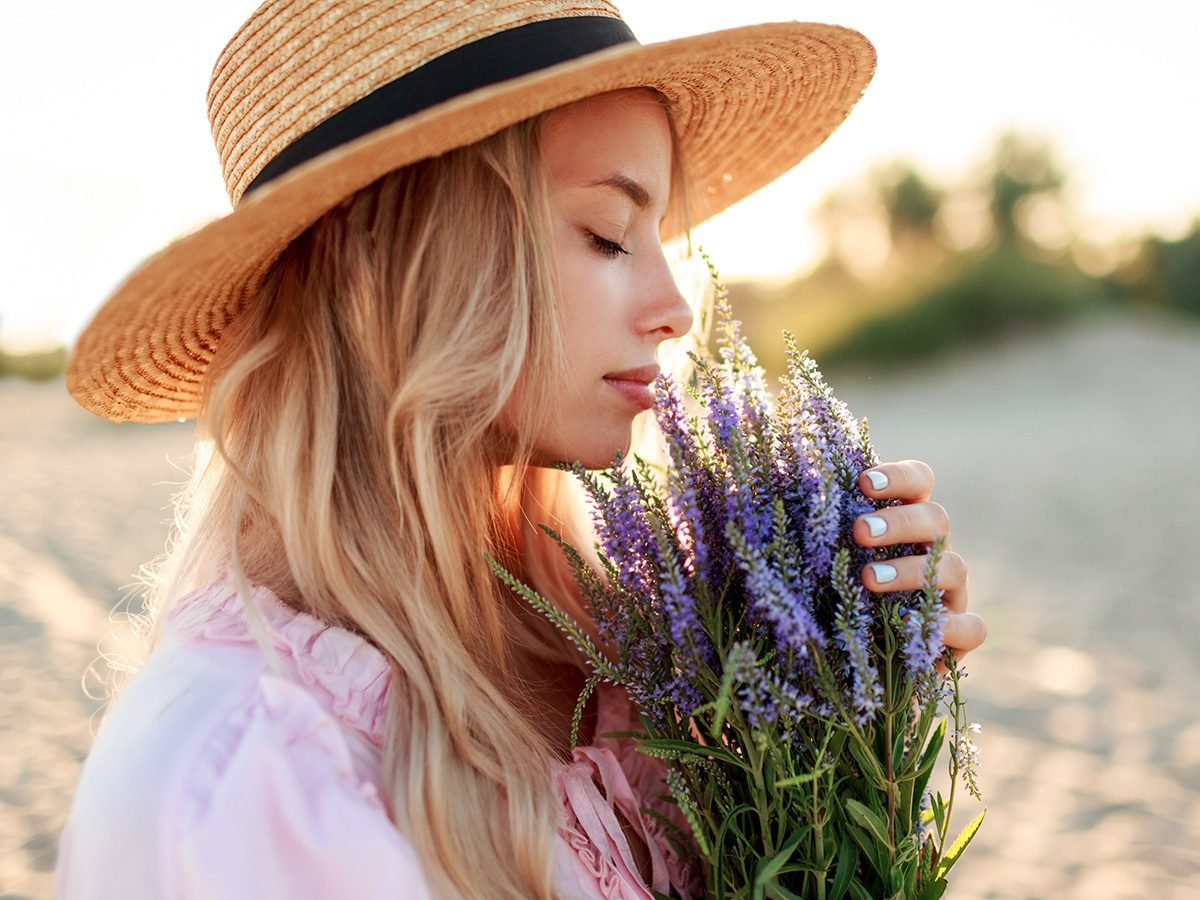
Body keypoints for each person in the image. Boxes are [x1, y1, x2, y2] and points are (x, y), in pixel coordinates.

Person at [57, 2, 987, 898]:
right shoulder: (245, 782)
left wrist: (846, 717)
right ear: (391, 265)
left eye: (660, 238)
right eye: (608, 234)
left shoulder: (632, 660)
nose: (677, 307)